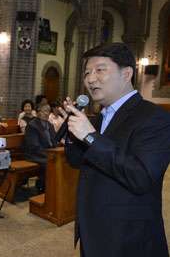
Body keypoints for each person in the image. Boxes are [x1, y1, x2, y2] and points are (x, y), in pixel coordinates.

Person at [63, 43, 170, 256]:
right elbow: (77, 161)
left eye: (100, 70)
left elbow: (140, 176)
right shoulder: (98, 117)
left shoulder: (155, 117)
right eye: (87, 73)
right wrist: (71, 133)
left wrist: (90, 136)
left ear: (126, 73)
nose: (90, 79)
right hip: (93, 229)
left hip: (127, 237)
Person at [24, 103, 57, 194]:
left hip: (48, 153)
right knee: (49, 163)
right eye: (44, 111)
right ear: (37, 113)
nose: (46, 113)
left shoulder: (49, 125)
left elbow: (54, 141)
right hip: (34, 154)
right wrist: (48, 154)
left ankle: (53, 188)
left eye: (48, 111)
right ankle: (42, 188)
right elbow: (34, 146)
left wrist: (56, 152)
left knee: (61, 160)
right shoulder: (32, 126)